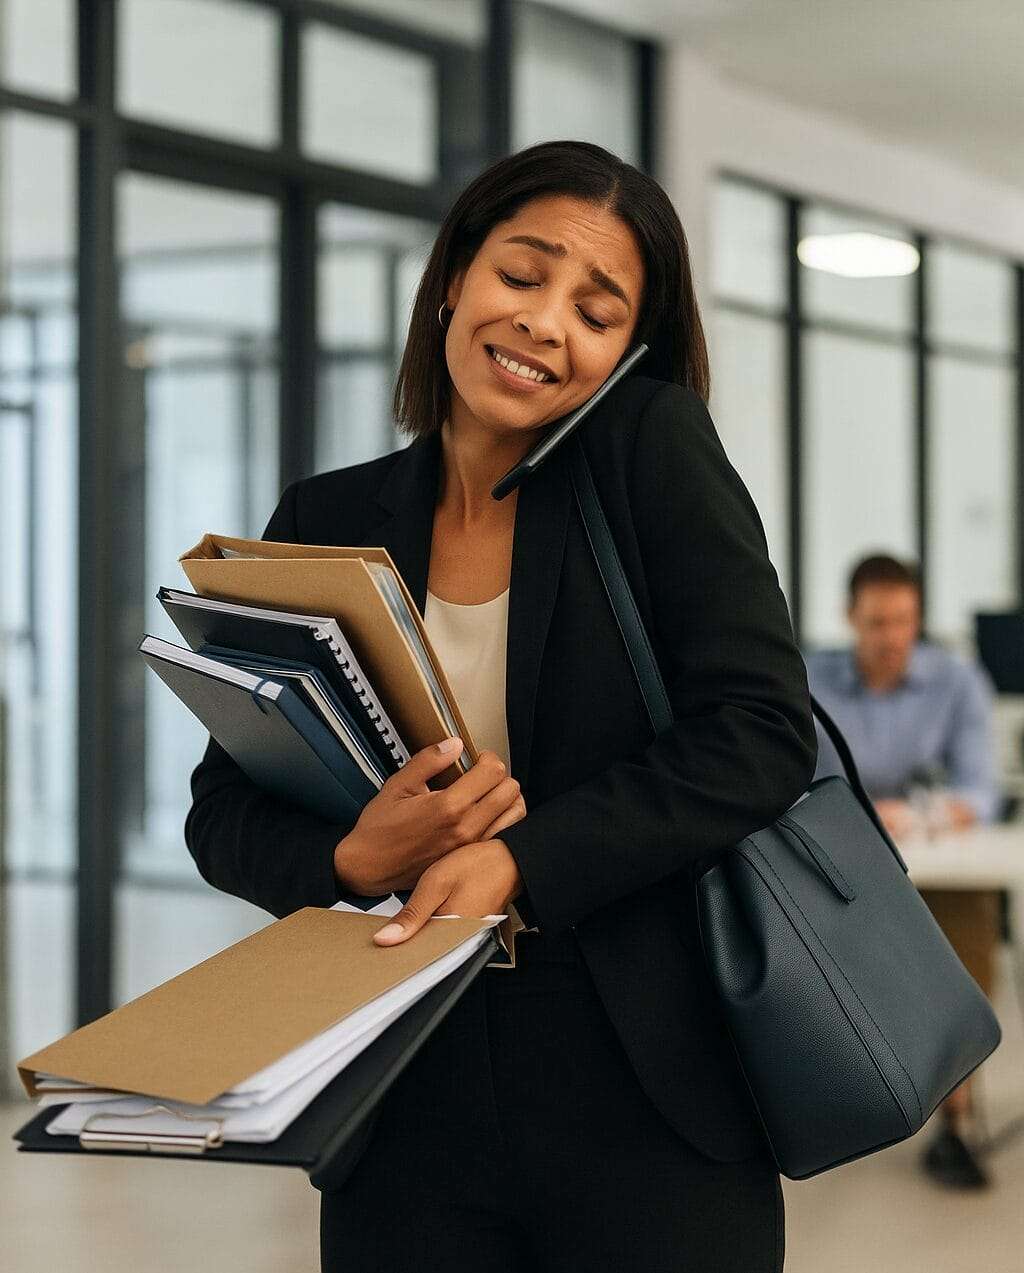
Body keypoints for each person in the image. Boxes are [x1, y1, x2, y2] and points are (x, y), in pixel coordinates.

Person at [185, 139, 816, 1272]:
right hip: (401, 1074)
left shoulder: (651, 457)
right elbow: (221, 809)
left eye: (596, 307)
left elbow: (759, 733)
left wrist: (519, 859)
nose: (544, 323)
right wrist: (350, 855)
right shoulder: (327, 514)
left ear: (627, 351)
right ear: (454, 281)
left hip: (641, 1075)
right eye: (521, 276)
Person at [804, 553, 1002, 1191]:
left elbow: (980, 791)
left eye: (906, 622)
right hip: (839, 855)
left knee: (964, 934)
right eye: (878, 623)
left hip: (933, 854)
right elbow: (787, 779)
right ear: (850, 619)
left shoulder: (957, 680)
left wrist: (915, 813)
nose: (893, 638)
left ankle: (957, 1118)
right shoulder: (810, 679)